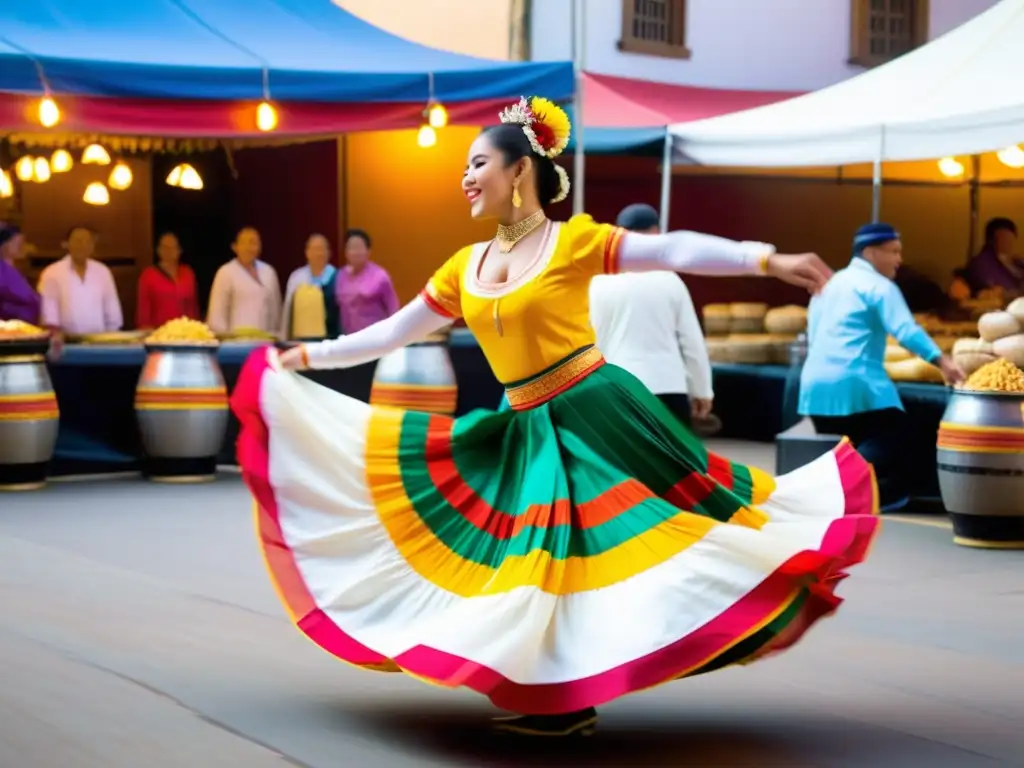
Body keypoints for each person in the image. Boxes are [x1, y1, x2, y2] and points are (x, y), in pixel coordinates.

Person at [232, 96, 878, 739]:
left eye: (477, 163)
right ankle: (561, 695)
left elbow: (671, 248)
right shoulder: (465, 267)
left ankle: (577, 692)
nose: (465, 178)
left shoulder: (573, 242)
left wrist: (765, 259)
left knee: (623, 544)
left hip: (597, 412)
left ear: (519, 172)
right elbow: (391, 332)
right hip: (524, 429)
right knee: (539, 562)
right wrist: (308, 355)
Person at [798, 223, 965, 511]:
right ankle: (829, 490)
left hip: (814, 383)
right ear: (871, 252)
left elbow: (814, 332)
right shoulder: (879, 286)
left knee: (854, 443)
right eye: (894, 252)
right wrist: (943, 361)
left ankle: (865, 497)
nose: (900, 260)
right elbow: (905, 330)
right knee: (897, 435)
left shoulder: (829, 284)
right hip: (855, 381)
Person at [590, 203, 713, 427]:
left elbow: (588, 340)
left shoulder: (598, 282)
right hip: (668, 386)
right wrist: (702, 390)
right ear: (657, 233)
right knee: (672, 462)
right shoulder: (671, 281)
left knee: (622, 461)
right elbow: (692, 342)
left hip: (617, 386)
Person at [38, 225, 123, 335]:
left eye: (88, 241)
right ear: (66, 244)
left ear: (93, 246)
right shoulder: (52, 272)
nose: (83, 245)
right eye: (78, 241)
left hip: (100, 341)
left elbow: (113, 312)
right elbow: (49, 315)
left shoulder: (103, 271)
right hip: (67, 342)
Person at [206, 227, 282, 335]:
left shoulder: (269, 272)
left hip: (264, 340)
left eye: (255, 243)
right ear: (235, 247)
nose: (250, 247)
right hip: (235, 342)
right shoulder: (225, 272)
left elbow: (276, 311)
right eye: (246, 243)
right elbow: (217, 315)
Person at [334, 228, 399, 333]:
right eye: (351, 248)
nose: (355, 252)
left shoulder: (380, 276)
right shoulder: (340, 275)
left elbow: (393, 308)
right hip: (348, 338)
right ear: (346, 252)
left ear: (368, 251)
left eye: (359, 247)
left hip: (374, 337)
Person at [281, 233, 340, 339]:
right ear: (307, 253)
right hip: (301, 337)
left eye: (322, 249)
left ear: (329, 253)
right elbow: (288, 310)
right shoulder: (296, 277)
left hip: (329, 337)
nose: (319, 253)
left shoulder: (336, 276)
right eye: (315, 249)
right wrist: (285, 337)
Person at [135, 232, 199, 329]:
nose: (169, 251)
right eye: (165, 247)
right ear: (158, 250)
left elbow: (193, 307)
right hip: (159, 334)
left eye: (173, 247)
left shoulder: (188, 273)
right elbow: (143, 312)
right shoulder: (148, 275)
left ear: (179, 250)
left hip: (185, 333)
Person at [963, 217, 1024, 297]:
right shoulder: (982, 264)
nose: (1007, 241)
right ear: (991, 239)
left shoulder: (1017, 262)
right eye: (1003, 237)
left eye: (1010, 238)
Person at [0, 224, 40, 323]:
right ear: (4, 244)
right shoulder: (3, 270)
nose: (21, 247)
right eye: (16, 243)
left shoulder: (16, 270)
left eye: (22, 243)